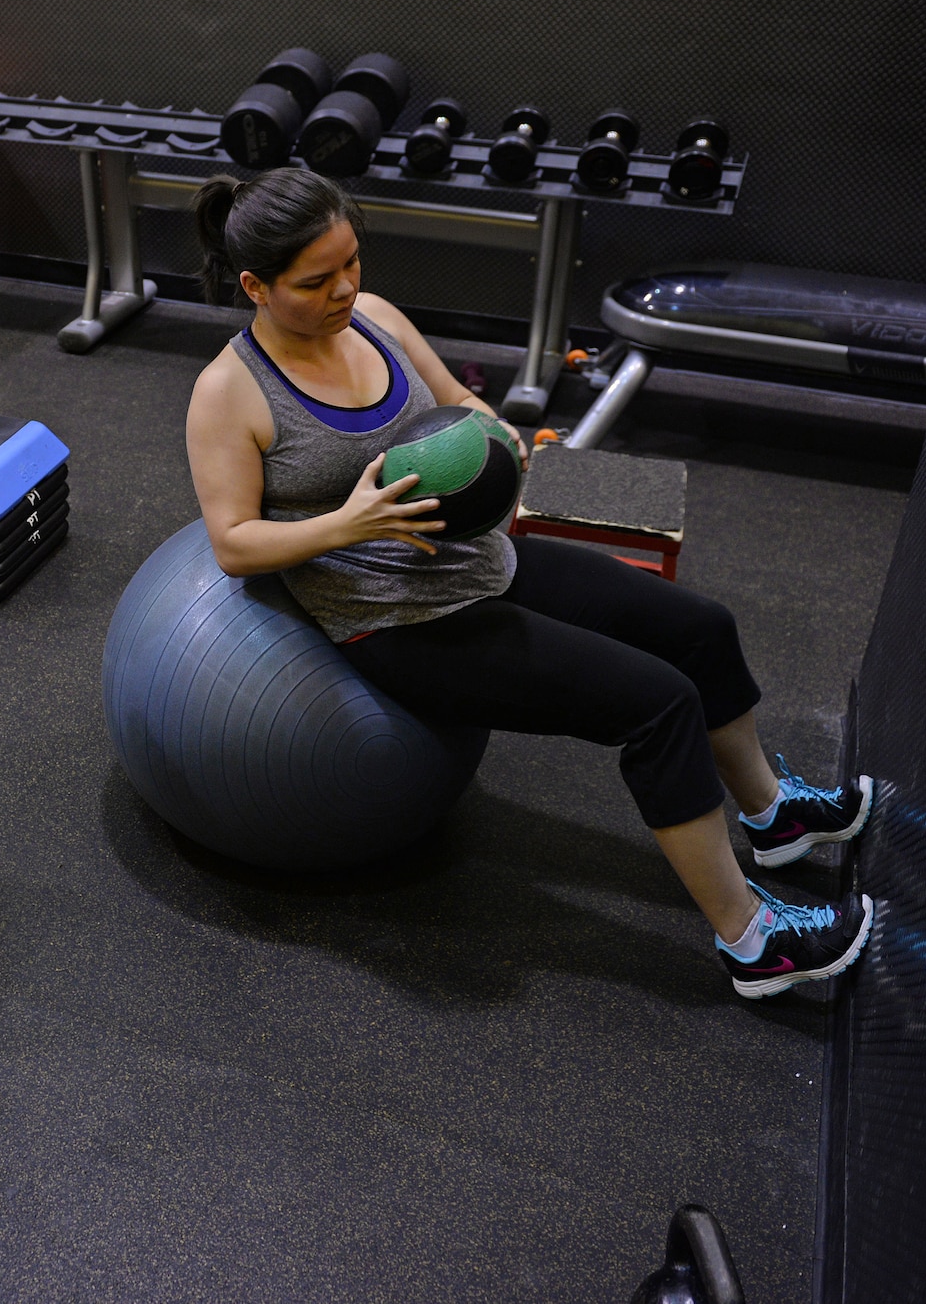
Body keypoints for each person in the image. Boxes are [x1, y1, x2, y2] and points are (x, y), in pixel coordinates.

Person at [184, 166, 875, 998]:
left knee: (701, 627)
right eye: (316, 280)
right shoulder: (229, 392)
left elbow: (457, 406)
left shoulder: (376, 321)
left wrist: (501, 441)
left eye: (351, 263)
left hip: (483, 561)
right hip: (398, 623)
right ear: (256, 286)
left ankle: (774, 817)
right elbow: (232, 542)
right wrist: (350, 524)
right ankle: (752, 941)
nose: (345, 288)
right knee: (659, 705)